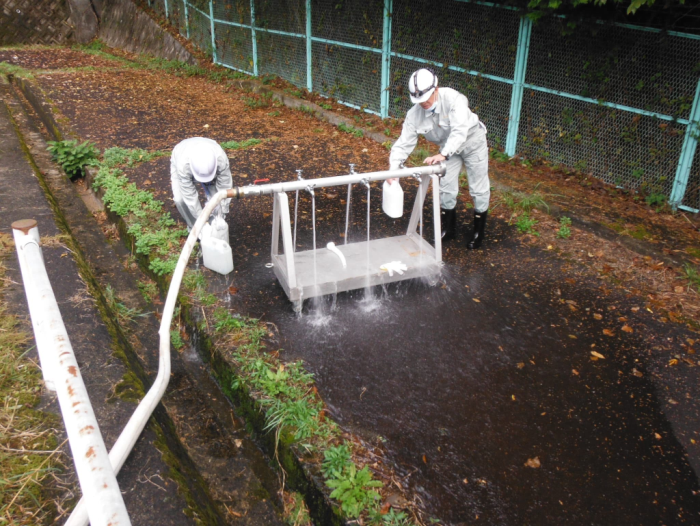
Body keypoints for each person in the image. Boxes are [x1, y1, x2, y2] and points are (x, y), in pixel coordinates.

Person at [389, 68, 490, 249]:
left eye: (426, 97)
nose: (423, 103)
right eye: (418, 100)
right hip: (446, 148)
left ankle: (478, 233)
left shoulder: (454, 99)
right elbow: (403, 143)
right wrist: (393, 169)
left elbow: (459, 131)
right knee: (446, 187)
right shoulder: (414, 115)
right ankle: (449, 230)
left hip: (472, 141)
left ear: (436, 89)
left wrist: (443, 154)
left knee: (478, 188)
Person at [170, 137, 232, 231]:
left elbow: (225, 189)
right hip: (180, 153)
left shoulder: (220, 159)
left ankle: (214, 225)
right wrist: (202, 221)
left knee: (217, 198)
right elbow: (190, 197)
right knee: (180, 200)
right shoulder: (183, 166)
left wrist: (222, 211)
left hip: (212, 158)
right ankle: (194, 228)